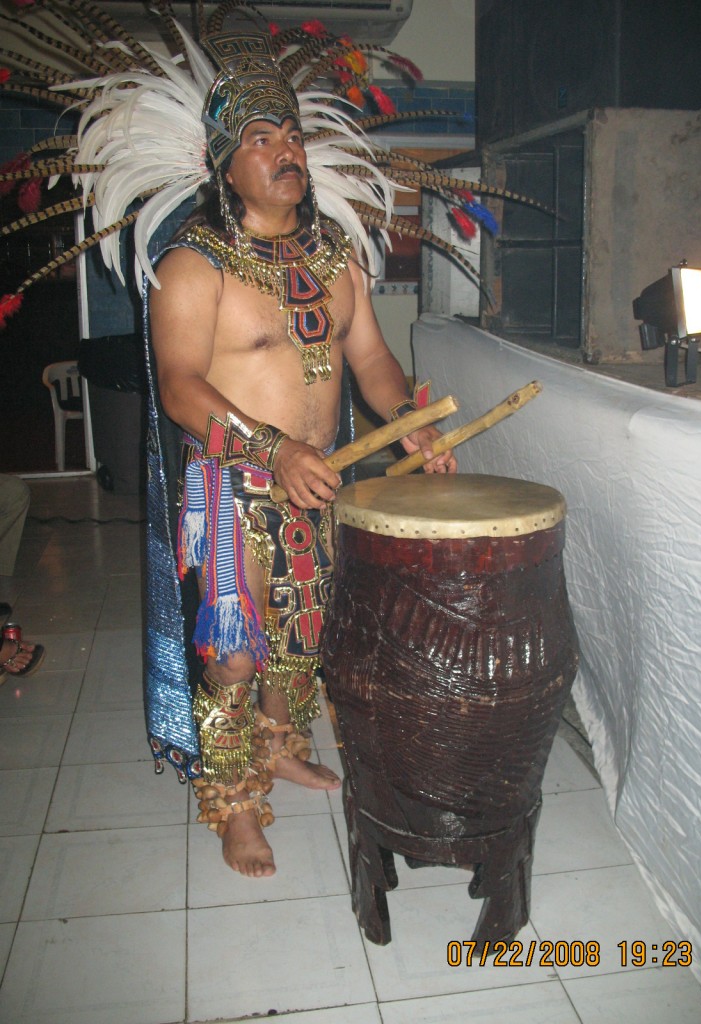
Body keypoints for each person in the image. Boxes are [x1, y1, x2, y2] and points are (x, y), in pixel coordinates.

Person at [147, 31, 456, 877]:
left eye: (290, 135)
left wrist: (408, 420)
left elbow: (374, 365)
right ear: (225, 164)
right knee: (237, 651)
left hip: (315, 481)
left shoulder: (338, 259)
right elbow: (179, 387)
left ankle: (280, 746)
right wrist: (270, 447)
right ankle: (235, 801)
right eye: (260, 138)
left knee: (300, 643)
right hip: (232, 485)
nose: (285, 151)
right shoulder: (191, 266)